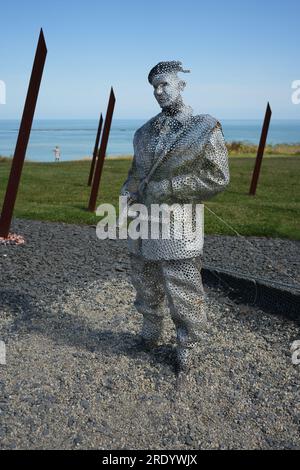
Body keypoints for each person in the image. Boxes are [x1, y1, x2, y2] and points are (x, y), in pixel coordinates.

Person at [120, 61, 230, 375]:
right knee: (143, 282)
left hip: (179, 225)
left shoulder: (204, 127)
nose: (158, 91)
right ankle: (150, 334)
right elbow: (134, 175)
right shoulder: (143, 133)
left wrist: (168, 187)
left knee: (183, 289)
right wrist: (126, 196)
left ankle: (188, 348)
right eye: (154, 86)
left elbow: (217, 177)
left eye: (164, 84)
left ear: (181, 85)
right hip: (142, 223)